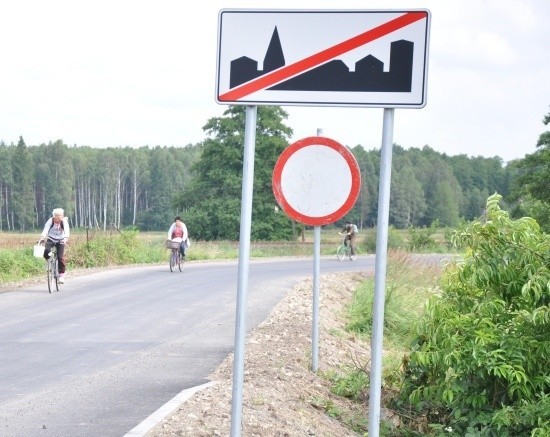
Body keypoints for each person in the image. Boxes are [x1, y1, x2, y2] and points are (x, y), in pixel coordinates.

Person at [39, 208, 70, 284]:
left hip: (61, 240)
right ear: (55, 216)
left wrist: (65, 239)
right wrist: (42, 237)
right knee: (46, 251)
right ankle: (49, 263)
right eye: (59, 216)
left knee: (60, 257)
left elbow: (67, 231)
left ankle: (61, 275)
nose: (61, 217)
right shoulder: (50, 221)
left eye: (62, 215)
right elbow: (46, 229)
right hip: (51, 239)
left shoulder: (64, 222)